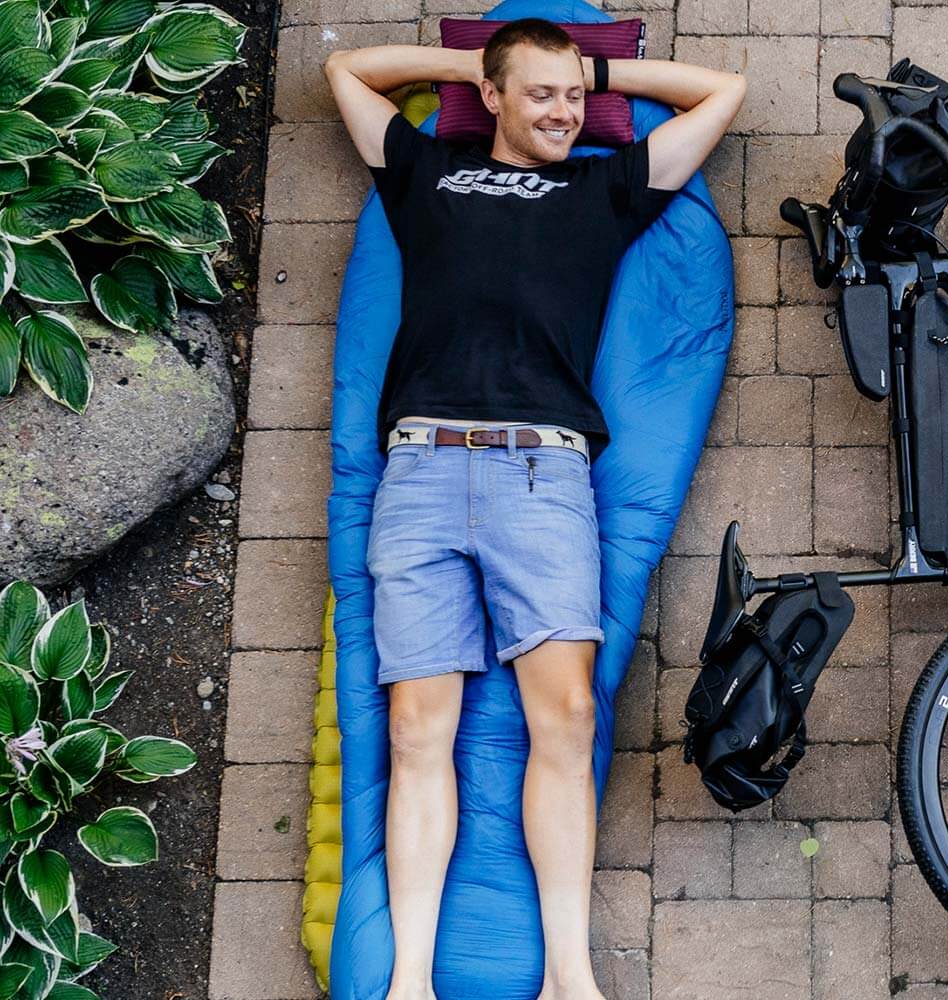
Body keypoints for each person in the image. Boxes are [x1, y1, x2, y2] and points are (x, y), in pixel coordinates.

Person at [324, 20, 744, 1000]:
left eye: (573, 98)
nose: (563, 112)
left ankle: (570, 976)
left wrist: (594, 73)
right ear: (498, 96)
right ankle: (412, 982)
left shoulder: (604, 190)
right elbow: (345, 72)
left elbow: (721, 94)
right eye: (541, 95)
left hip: (543, 480)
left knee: (563, 716)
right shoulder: (427, 174)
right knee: (418, 729)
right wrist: (460, 70)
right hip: (419, 475)